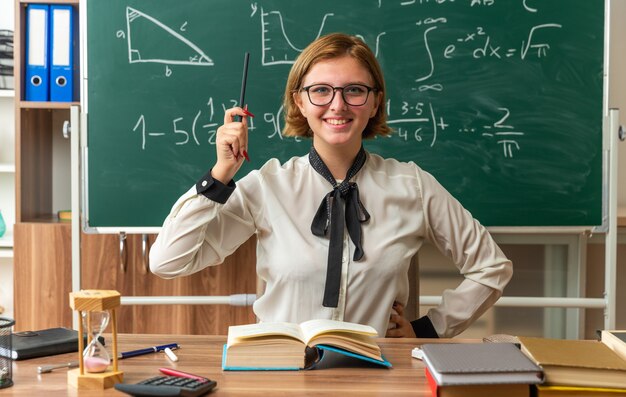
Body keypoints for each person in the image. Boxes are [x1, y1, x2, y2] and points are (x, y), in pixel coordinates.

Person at [149, 32, 512, 338]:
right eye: (321, 91)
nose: (337, 105)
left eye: (354, 90)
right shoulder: (267, 186)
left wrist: (430, 329)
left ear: (374, 103)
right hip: (280, 376)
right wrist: (220, 174)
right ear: (300, 102)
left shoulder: (412, 186)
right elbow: (168, 262)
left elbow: (491, 266)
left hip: (379, 376)